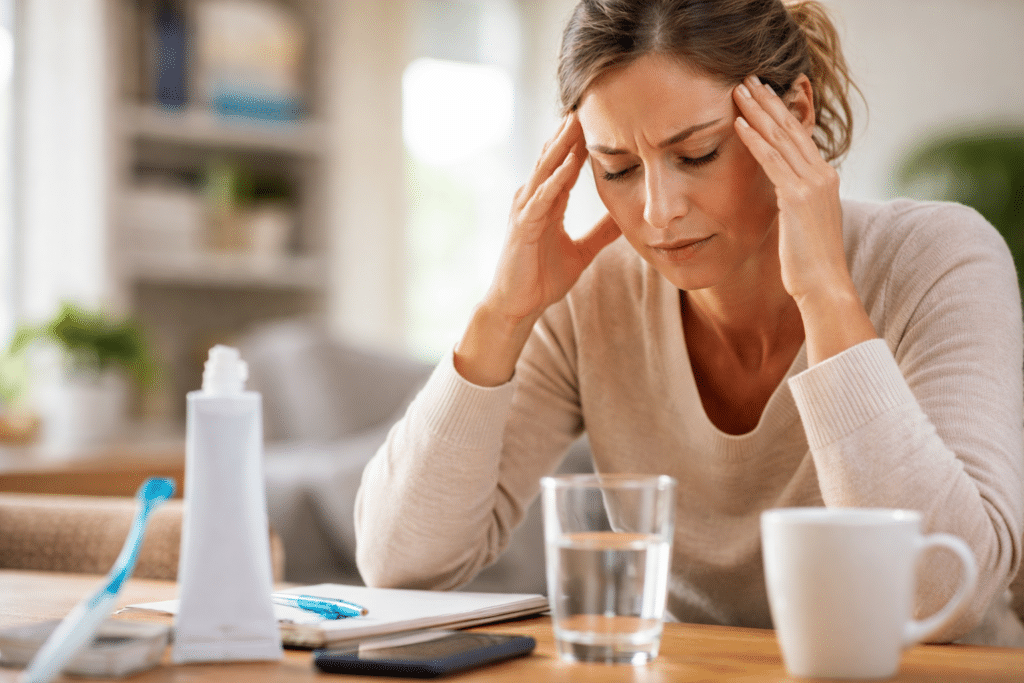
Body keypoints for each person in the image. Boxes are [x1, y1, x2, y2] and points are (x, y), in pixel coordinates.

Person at [355, 0, 1024, 645]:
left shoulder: (938, 259)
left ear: (792, 114)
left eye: (697, 154)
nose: (655, 211)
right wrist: (502, 312)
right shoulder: (596, 294)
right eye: (615, 168)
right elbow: (401, 564)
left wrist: (825, 293)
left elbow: (938, 598)